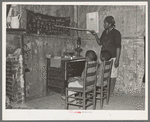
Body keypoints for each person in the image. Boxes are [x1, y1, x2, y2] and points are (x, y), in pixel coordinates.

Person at [89, 16, 122, 96]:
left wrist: (117, 59)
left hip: (113, 57)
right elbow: (100, 42)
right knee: (104, 74)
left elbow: (118, 47)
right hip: (103, 58)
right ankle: (105, 91)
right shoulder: (104, 32)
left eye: (105, 23)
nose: (103, 25)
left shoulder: (116, 33)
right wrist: (95, 35)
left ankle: (110, 93)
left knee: (112, 75)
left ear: (110, 24)